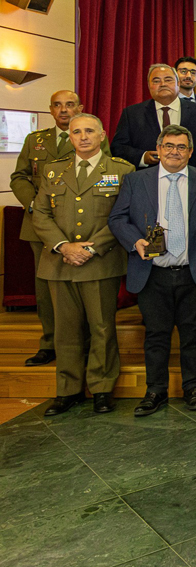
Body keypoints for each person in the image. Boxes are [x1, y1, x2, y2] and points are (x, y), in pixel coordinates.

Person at [33, 114, 135, 415]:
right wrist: (65, 246)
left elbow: (123, 215)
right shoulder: (52, 172)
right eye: (76, 132)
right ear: (70, 137)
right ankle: (69, 389)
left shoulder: (120, 170)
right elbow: (40, 215)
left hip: (99, 262)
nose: (83, 136)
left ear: (102, 135)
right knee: (65, 331)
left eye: (89, 131)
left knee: (102, 327)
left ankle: (102, 387)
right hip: (60, 262)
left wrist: (90, 248)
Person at [109, 125, 196, 416]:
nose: (174, 152)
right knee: (156, 335)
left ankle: (193, 388)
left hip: (193, 271)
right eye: (168, 146)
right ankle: (155, 391)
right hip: (152, 271)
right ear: (158, 149)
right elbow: (117, 218)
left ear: (191, 152)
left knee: (193, 334)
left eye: (181, 147)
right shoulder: (135, 180)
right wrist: (134, 242)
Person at [11, 90, 111, 367]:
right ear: (51, 109)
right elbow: (19, 176)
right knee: (46, 291)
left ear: (79, 107)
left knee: (88, 295)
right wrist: (33, 203)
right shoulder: (36, 140)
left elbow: (108, 181)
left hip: (88, 229)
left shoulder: (92, 136)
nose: (64, 110)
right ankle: (50, 343)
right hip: (42, 227)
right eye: (58, 105)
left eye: (70, 105)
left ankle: (86, 344)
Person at [111, 64, 196, 170]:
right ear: (148, 85)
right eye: (156, 81)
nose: (163, 84)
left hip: (192, 180)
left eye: (168, 80)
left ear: (178, 83)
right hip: (147, 180)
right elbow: (118, 148)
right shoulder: (132, 114)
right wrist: (143, 157)